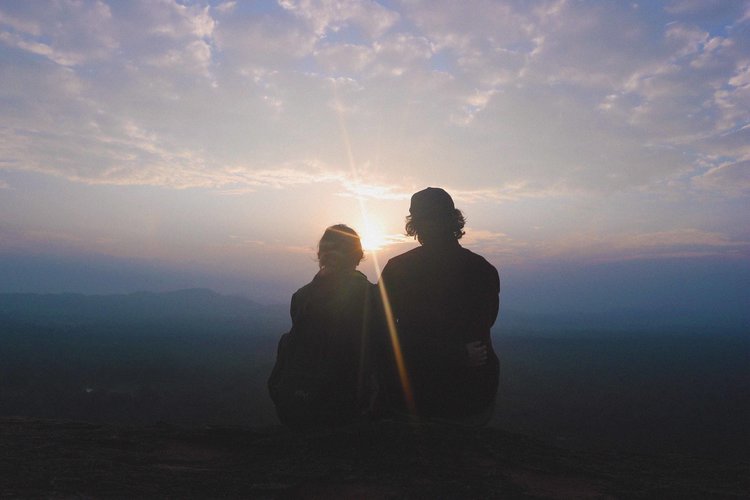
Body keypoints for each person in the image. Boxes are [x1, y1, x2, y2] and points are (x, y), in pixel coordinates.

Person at [377, 187, 500, 425]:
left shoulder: (397, 269)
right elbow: (481, 330)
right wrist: (457, 355)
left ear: (415, 224)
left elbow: (380, 330)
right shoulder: (482, 269)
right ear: (453, 219)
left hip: (413, 395)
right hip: (470, 398)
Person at [268, 224, 376, 429]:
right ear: (357, 255)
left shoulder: (301, 297)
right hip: (345, 404)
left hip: (297, 400)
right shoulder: (369, 296)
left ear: (321, 254)